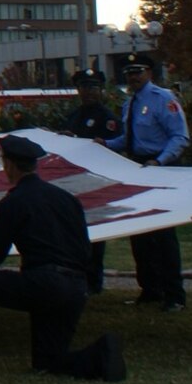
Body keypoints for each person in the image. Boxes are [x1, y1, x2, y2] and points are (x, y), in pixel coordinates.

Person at [0, 136, 126, 382]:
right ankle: (101, 354)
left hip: (44, 283)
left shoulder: (13, 203)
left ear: (9, 165)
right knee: (48, 362)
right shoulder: (67, 199)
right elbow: (87, 248)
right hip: (75, 287)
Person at [101, 56, 189, 311]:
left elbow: (180, 137)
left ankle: (174, 294)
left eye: (138, 72)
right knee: (139, 233)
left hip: (160, 168)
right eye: (129, 73)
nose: (133, 77)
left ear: (150, 72)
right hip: (138, 166)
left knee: (163, 234)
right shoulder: (130, 103)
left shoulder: (163, 99)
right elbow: (128, 140)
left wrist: (159, 162)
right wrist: (104, 144)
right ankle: (150, 289)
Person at [59, 71, 115, 293]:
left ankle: (93, 281)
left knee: (95, 235)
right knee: (75, 233)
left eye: (93, 87)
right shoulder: (74, 115)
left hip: (96, 180)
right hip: (75, 180)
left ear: (100, 89)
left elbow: (112, 148)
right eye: (84, 87)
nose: (88, 92)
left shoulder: (107, 117)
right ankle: (77, 276)